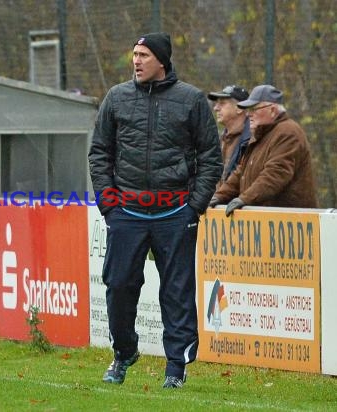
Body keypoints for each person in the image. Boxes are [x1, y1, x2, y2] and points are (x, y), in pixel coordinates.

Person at [88, 32, 222, 388]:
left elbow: (211, 157)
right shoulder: (116, 98)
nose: (136, 61)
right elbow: (99, 152)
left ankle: (176, 367)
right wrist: (109, 204)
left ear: (162, 60)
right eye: (134, 54)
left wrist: (194, 206)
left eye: (144, 55)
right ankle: (124, 352)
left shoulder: (191, 100)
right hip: (126, 213)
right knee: (118, 285)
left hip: (175, 213)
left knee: (177, 292)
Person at [210, 85, 318, 215]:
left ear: (272, 110)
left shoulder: (288, 132)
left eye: (254, 109)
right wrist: (219, 196)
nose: (249, 114)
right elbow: (240, 172)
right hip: (266, 221)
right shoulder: (260, 134)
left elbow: (275, 173)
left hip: (290, 223)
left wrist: (244, 199)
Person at [207, 85, 251, 188]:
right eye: (216, 104)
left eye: (222, 103)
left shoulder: (252, 139)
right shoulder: (221, 139)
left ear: (240, 108)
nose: (216, 108)